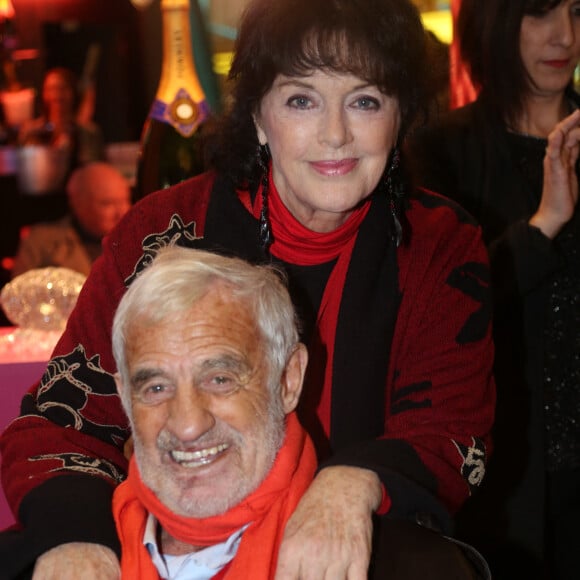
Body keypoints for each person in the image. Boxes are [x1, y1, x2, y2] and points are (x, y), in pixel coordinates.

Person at [0, 0, 495, 578]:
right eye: (301, 100)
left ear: (399, 116)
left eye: (364, 100)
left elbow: (452, 429)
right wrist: (76, 537)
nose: (335, 134)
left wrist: (353, 482)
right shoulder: (161, 235)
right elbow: (61, 421)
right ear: (258, 117)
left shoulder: (439, 245)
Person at [110, 245, 485, 580]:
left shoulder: (398, 565)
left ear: (289, 380)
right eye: (156, 388)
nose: (188, 424)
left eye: (220, 379)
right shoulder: (80, 552)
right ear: (125, 397)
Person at [406, 0, 580, 578]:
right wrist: (543, 226)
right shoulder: (442, 149)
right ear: (496, 22)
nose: (564, 35)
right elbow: (444, 310)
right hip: (505, 476)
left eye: (579, 11)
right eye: (539, 13)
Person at [10, 162, 132, 278]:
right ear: (78, 203)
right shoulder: (42, 244)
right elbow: (19, 295)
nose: (121, 212)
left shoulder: (141, 241)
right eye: (107, 204)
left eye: (125, 201)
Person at [18, 67, 105, 179]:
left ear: (73, 92)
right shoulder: (32, 132)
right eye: (51, 89)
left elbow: (94, 170)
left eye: (62, 89)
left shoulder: (89, 133)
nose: (56, 95)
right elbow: (27, 170)